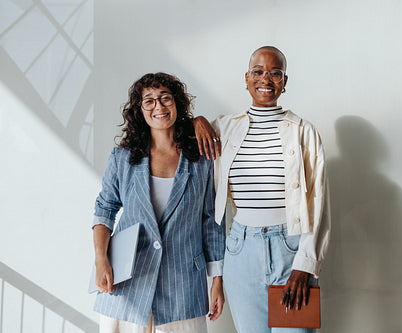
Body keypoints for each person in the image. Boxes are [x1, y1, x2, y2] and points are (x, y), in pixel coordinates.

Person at [194, 46, 331, 333]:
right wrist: (196, 120)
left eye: (275, 73)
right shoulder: (224, 127)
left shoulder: (303, 131)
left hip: (289, 248)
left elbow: (318, 203)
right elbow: (175, 132)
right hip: (241, 251)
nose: (265, 79)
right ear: (246, 78)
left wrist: (305, 265)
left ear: (285, 81)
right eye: (258, 72)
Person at [92, 72, 225, 333]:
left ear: (177, 104)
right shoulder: (123, 158)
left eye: (165, 98)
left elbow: (212, 221)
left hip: (183, 285)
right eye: (149, 101)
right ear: (139, 110)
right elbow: (104, 210)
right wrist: (100, 260)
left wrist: (217, 280)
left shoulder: (202, 160)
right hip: (128, 283)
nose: (159, 107)